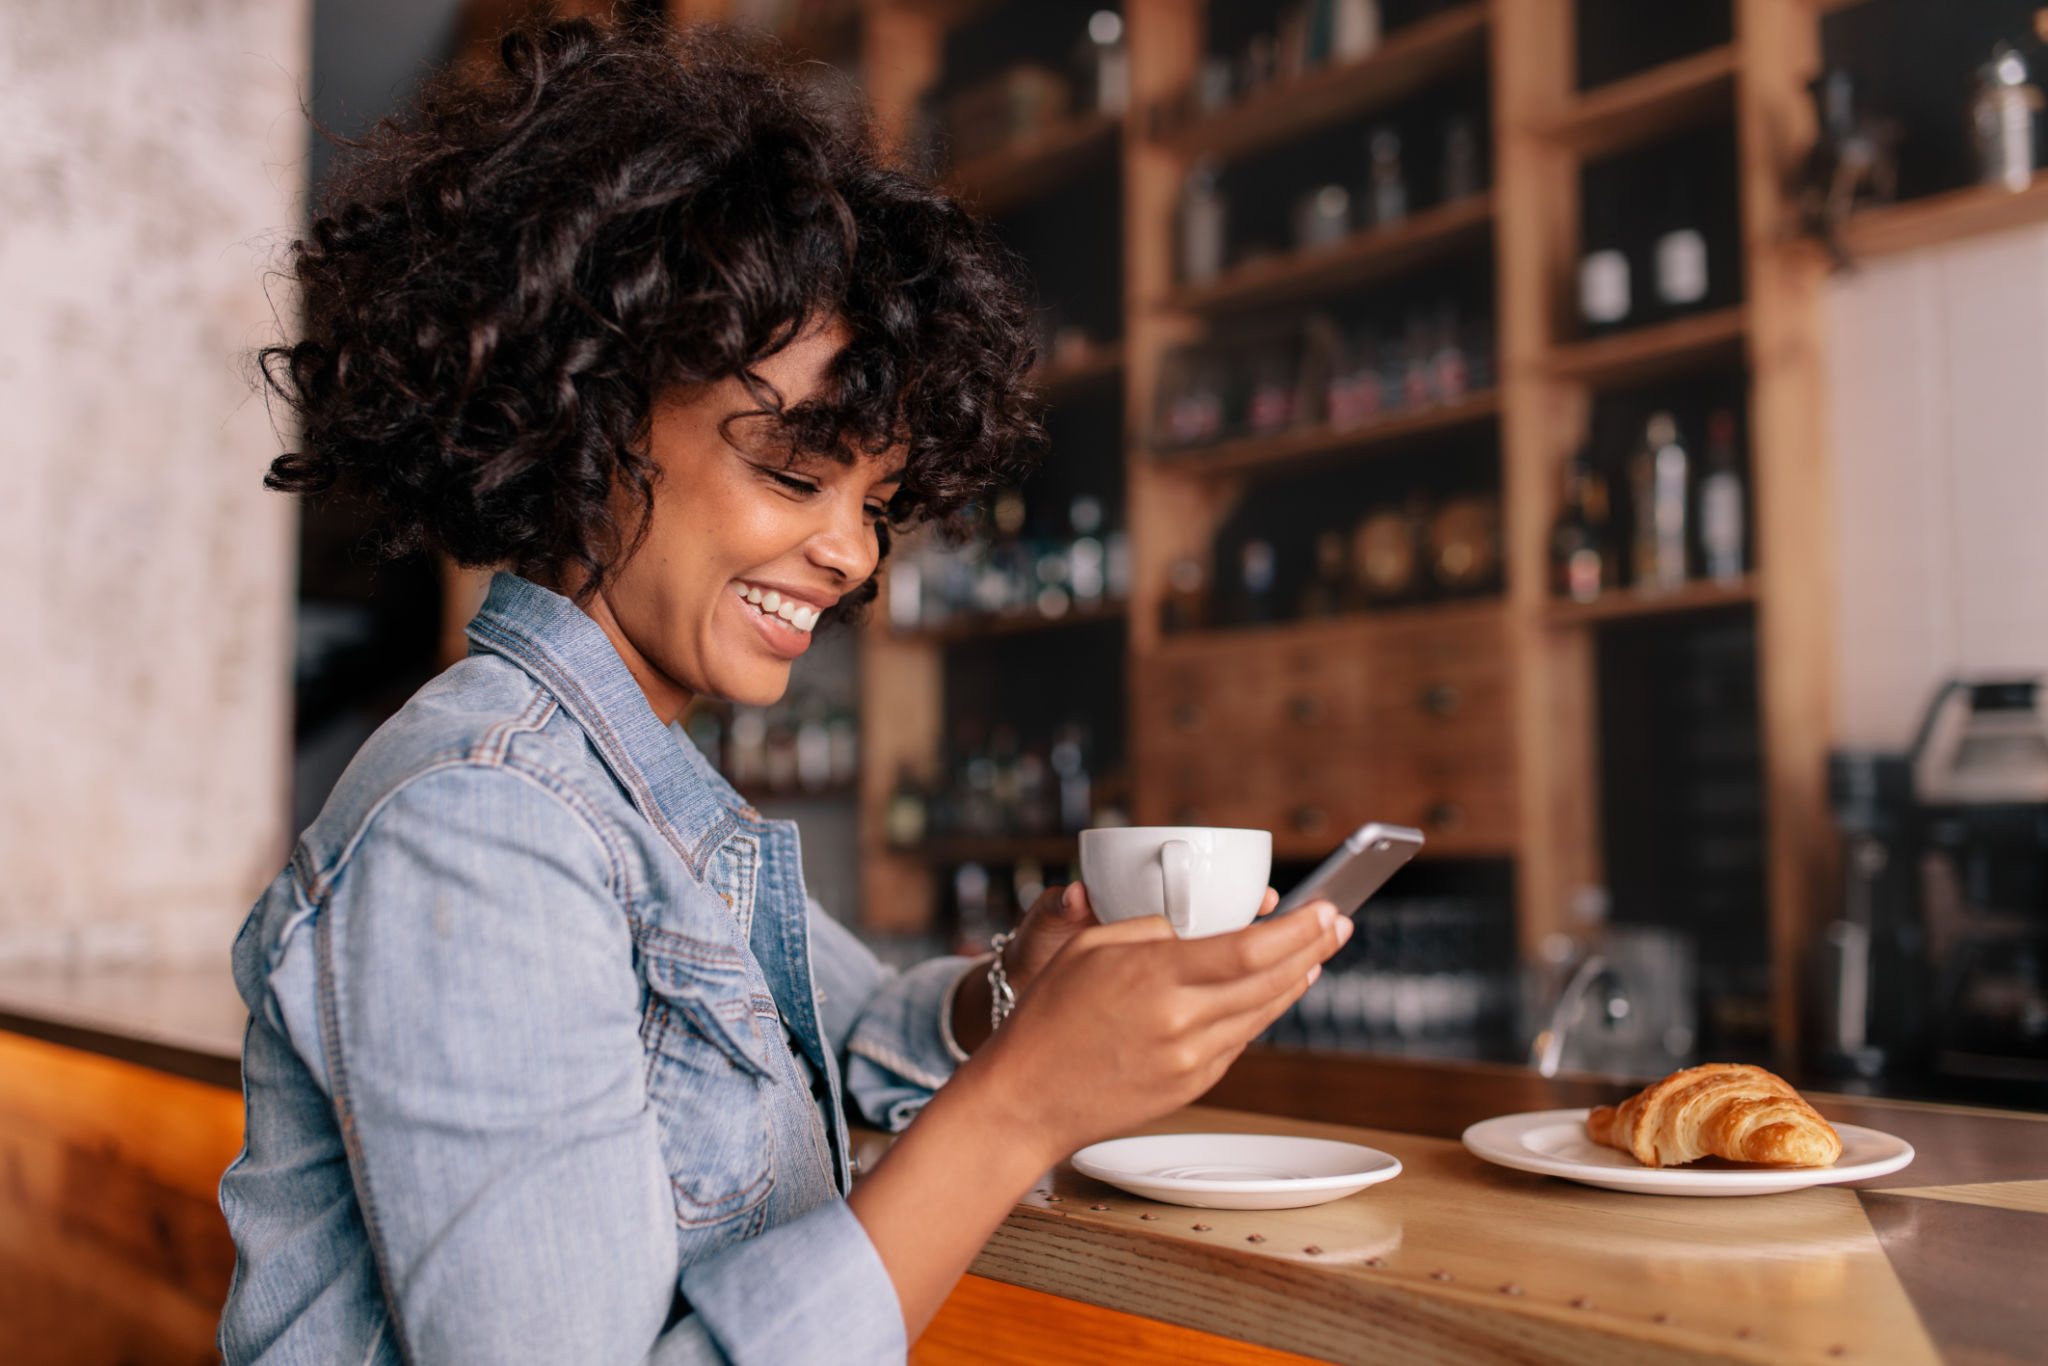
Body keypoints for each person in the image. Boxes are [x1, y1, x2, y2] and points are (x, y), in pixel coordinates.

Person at [217, 18, 1348, 1365]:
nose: (853, 553)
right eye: (795, 474)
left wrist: (1010, 994)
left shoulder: (641, 793)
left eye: (875, 501)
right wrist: (1020, 1110)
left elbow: (849, 1031)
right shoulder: (484, 824)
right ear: (589, 418)